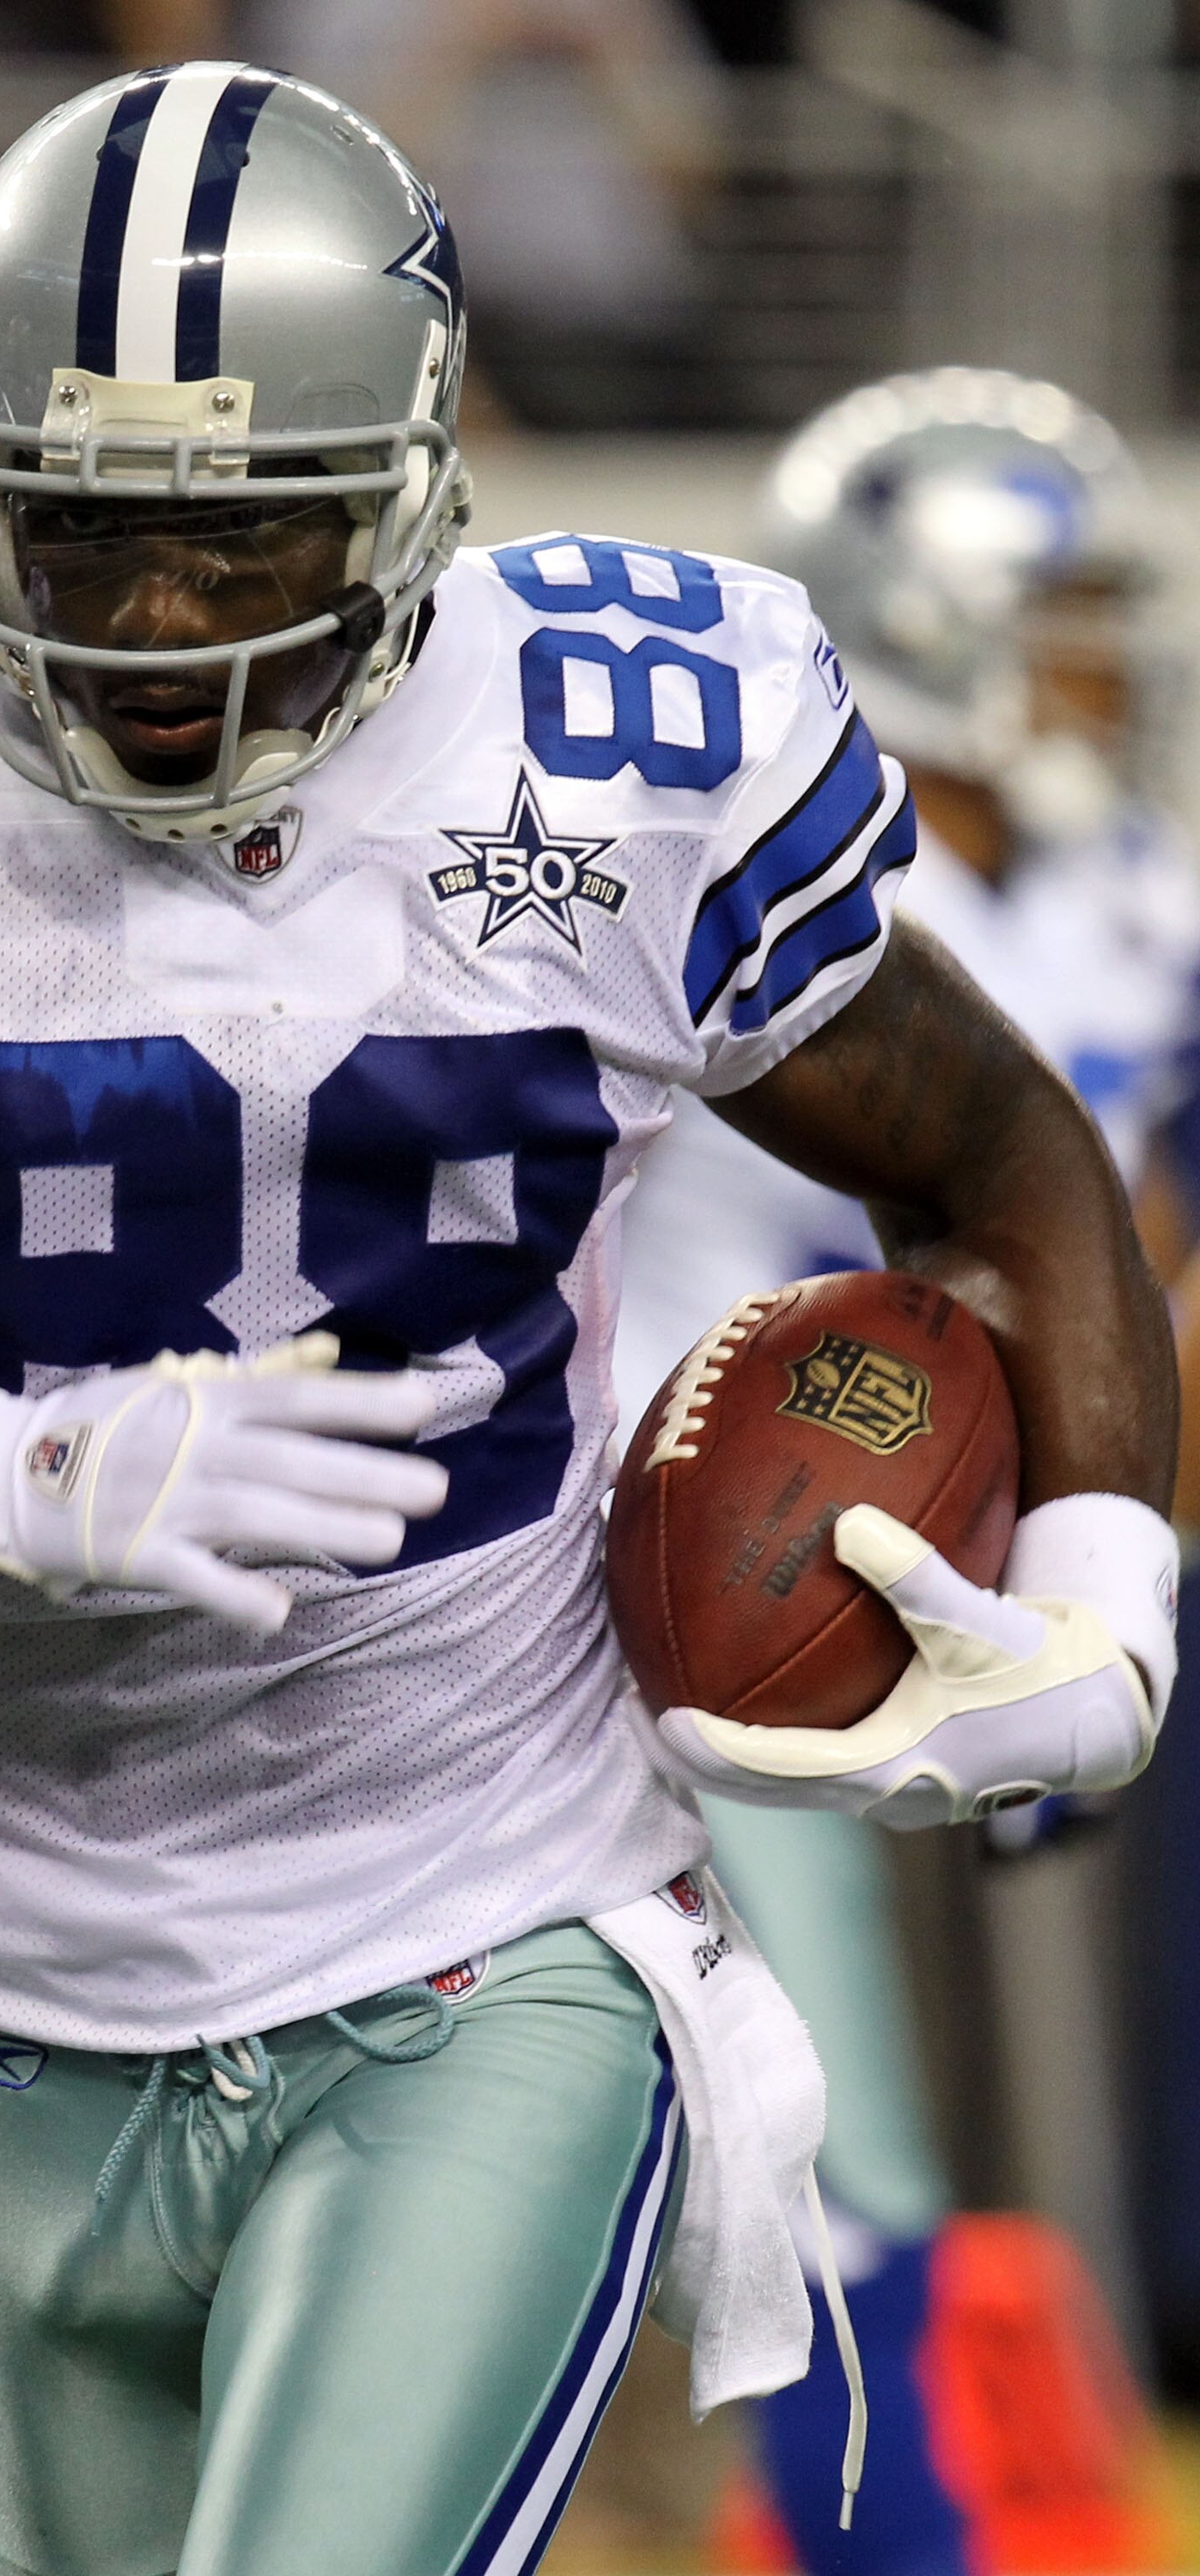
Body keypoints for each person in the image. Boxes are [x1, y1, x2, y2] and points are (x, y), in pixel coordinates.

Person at [0, 67, 1177, 2576]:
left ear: (410, 483)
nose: (161, 620)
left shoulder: (621, 757)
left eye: (239, 529)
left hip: (489, 1931)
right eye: (81, 532)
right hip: (1, 2001)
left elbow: (1007, 1149)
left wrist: (1115, 1592)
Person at [612, 367, 1200, 2576]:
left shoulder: (1122, 889)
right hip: (708, 1587)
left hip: (956, 1577)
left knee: (863, 2151)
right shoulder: (785, 871)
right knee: (808, 2143)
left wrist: (1093, 1580)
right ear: (930, 609)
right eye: (1061, 601)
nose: (1102, 654)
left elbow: (1123, 1276)